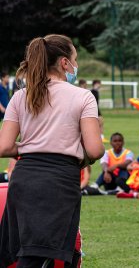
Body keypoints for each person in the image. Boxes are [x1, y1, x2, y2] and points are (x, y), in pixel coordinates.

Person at [0, 34, 104, 268]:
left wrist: (32, 147)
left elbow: (4, 146)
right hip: (60, 179)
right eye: (75, 59)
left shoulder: (20, 96)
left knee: (25, 254)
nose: (76, 66)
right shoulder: (83, 96)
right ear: (65, 63)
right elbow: (95, 149)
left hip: (24, 177)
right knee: (50, 255)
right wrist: (78, 154)